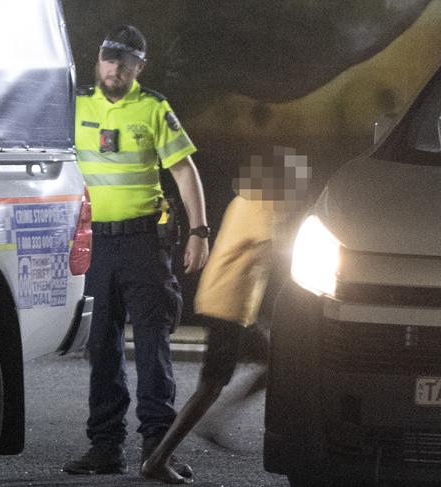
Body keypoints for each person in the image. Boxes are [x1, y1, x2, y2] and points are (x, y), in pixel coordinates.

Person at [62, 25, 209, 477]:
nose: (114, 68)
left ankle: (157, 450)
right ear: (98, 60)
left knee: (152, 347)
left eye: (125, 61)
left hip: (145, 242)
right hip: (95, 243)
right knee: (101, 348)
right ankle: (105, 447)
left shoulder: (152, 108)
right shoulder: (75, 104)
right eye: (109, 58)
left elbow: (184, 172)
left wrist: (200, 231)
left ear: (139, 67)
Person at [141, 146, 309, 484]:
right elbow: (284, 250)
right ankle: (157, 459)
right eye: (295, 178)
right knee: (211, 385)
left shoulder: (247, 200)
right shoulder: (262, 205)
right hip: (228, 305)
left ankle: (214, 423)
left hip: (233, 304)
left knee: (274, 361)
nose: (299, 185)